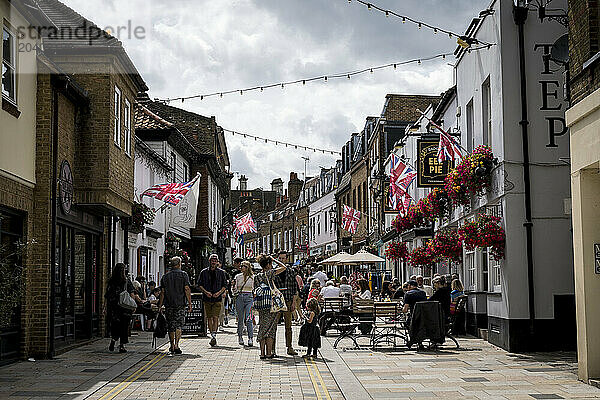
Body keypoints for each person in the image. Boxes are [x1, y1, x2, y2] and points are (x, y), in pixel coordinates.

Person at [254, 254, 287, 359]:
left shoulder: (257, 276)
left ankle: (262, 353)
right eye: (271, 263)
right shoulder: (270, 273)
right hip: (271, 305)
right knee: (271, 329)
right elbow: (284, 267)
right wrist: (275, 260)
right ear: (268, 264)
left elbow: (255, 291)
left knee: (262, 327)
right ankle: (269, 353)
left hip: (261, 305)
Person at [158, 256, 192, 354]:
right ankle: (177, 345)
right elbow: (186, 289)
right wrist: (189, 303)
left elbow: (163, 292)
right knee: (178, 325)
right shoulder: (184, 275)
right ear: (179, 264)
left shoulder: (165, 276)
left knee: (171, 325)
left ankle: (171, 345)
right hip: (180, 304)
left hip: (169, 305)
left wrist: (160, 305)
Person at [104, 263, 136, 353]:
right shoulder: (127, 281)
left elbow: (107, 295)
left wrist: (105, 308)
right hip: (125, 307)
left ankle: (113, 340)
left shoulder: (111, 281)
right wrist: (133, 306)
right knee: (124, 327)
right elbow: (132, 294)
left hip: (114, 307)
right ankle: (121, 346)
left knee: (115, 325)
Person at [197, 254, 228, 347]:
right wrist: (206, 292)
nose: (213, 262)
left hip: (217, 299)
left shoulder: (221, 273)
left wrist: (219, 293)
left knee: (215, 317)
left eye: (215, 260)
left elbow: (224, 285)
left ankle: (214, 335)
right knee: (209, 318)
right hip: (207, 298)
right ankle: (212, 335)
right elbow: (199, 284)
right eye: (212, 260)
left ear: (217, 262)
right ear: (209, 261)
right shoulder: (203, 272)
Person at [273, 250, 299, 356]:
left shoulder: (291, 271)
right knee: (273, 326)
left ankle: (289, 347)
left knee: (288, 326)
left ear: (287, 259)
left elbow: (294, 288)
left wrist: (294, 303)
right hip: (277, 301)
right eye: (280, 258)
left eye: (283, 258)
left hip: (288, 300)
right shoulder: (274, 271)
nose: (282, 260)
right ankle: (272, 349)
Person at [233, 261, 254, 347]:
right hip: (240, 297)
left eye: (243, 266)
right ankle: (240, 336)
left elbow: (254, 288)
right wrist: (234, 290)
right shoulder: (237, 277)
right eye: (241, 266)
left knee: (249, 318)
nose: (241, 267)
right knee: (240, 319)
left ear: (247, 267)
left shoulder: (252, 277)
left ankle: (250, 338)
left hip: (249, 297)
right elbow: (234, 288)